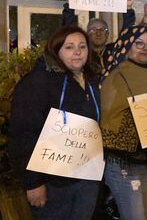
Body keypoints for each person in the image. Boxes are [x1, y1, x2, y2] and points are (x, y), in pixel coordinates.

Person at [8, 26, 100, 219]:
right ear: (56, 50)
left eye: (82, 46)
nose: (77, 51)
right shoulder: (37, 82)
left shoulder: (90, 80)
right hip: (53, 184)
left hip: (86, 179)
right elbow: (23, 135)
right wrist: (33, 183)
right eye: (69, 47)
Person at [100, 25, 147, 220]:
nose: (145, 48)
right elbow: (109, 118)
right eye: (139, 43)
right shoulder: (114, 76)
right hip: (129, 164)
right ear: (126, 46)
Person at [62, 0, 136, 73]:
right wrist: (70, 4)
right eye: (93, 30)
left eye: (102, 30)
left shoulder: (115, 51)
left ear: (108, 34)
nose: (98, 33)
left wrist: (128, 8)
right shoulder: (81, 53)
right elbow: (69, 32)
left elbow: (127, 34)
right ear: (86, 33)